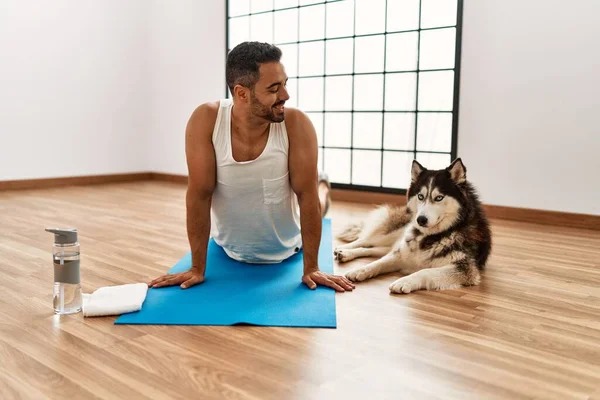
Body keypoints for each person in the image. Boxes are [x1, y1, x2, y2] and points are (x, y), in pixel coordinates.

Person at [149, 42, 355, 292]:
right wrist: (196, 268)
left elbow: (306, 196)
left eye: (285, 84)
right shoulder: (206, 120)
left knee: (315, 193)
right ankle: (320, 180)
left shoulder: (296, 124)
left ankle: (323, 185)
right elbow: (199, 194)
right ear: (242, 93)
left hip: (289, 246)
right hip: (228, 249)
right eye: (274, 88)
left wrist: (311, 268)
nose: (286, 96)